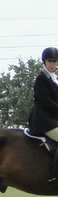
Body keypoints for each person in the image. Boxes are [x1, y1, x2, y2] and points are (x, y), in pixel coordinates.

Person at [27, 46, 58, 183]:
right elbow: (45, 102)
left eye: (55, 61)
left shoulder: (54, 78)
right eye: (50, 61)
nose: (53, 64)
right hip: (44, 121)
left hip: (53, 120)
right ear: (44, 62)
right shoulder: (42, 78)